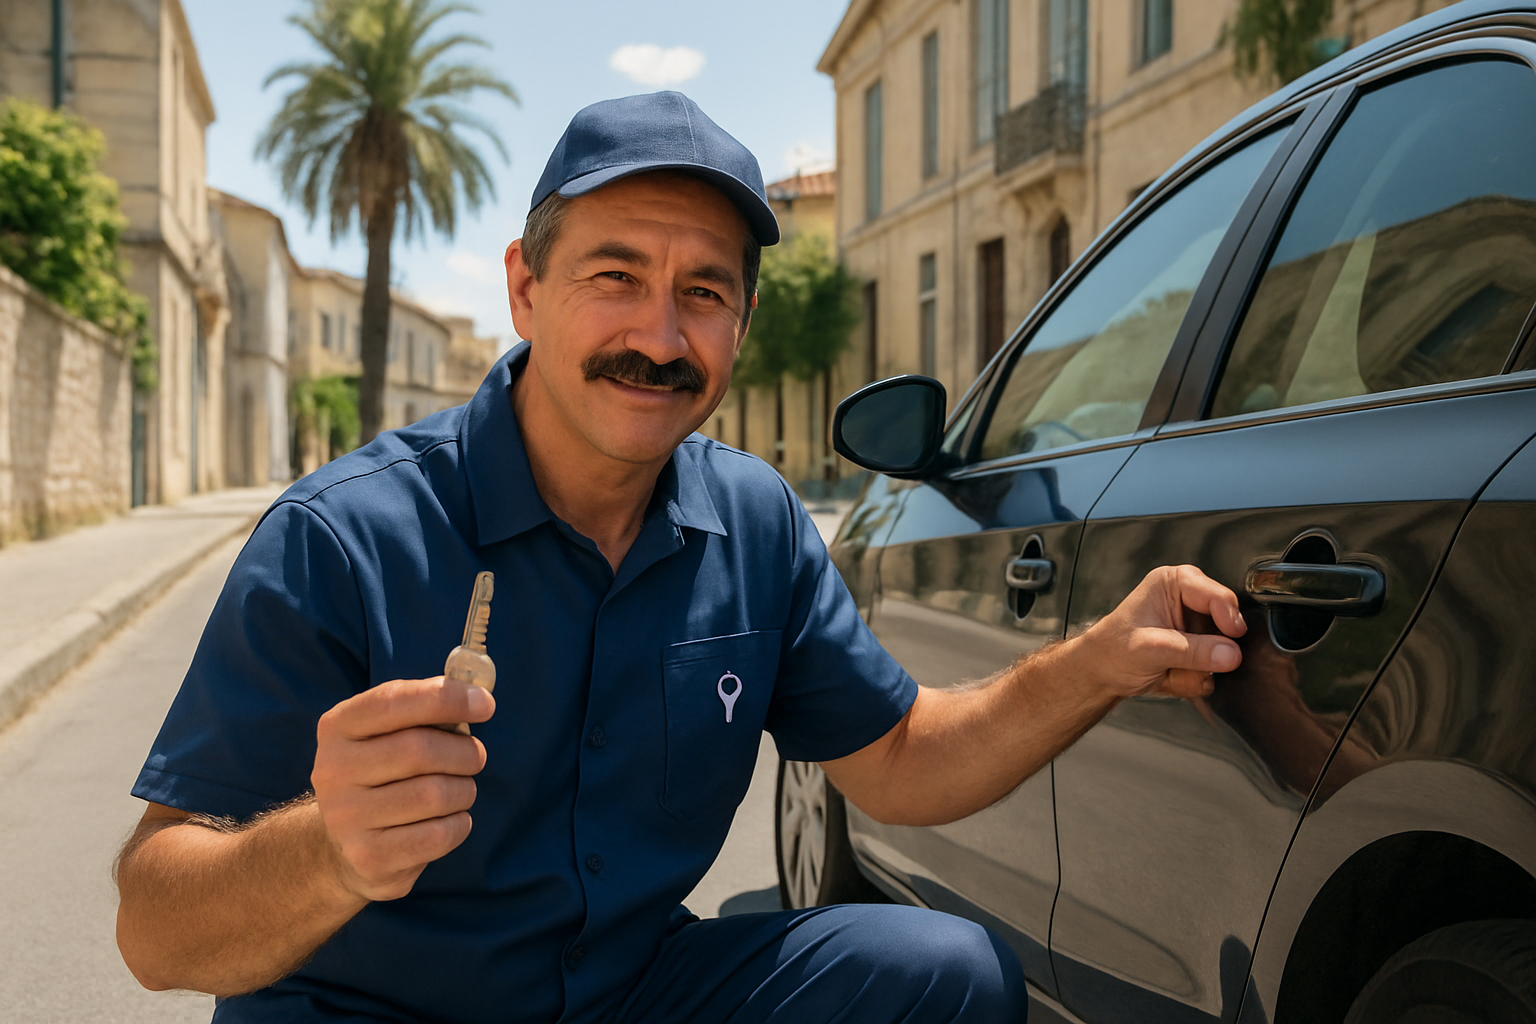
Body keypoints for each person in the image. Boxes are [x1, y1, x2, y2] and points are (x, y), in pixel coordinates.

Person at [114, 91, 1246, 1024]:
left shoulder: (755, 521)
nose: (659, 337)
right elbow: (156, 926)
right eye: (615, 277)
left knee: (949, 977)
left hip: (636, 992)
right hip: (372, 1010)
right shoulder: (343, 535)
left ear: (741, 325)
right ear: (524, 286)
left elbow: (899, 757)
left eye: (702, 293)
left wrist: (1097, 660)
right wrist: (330, 849)